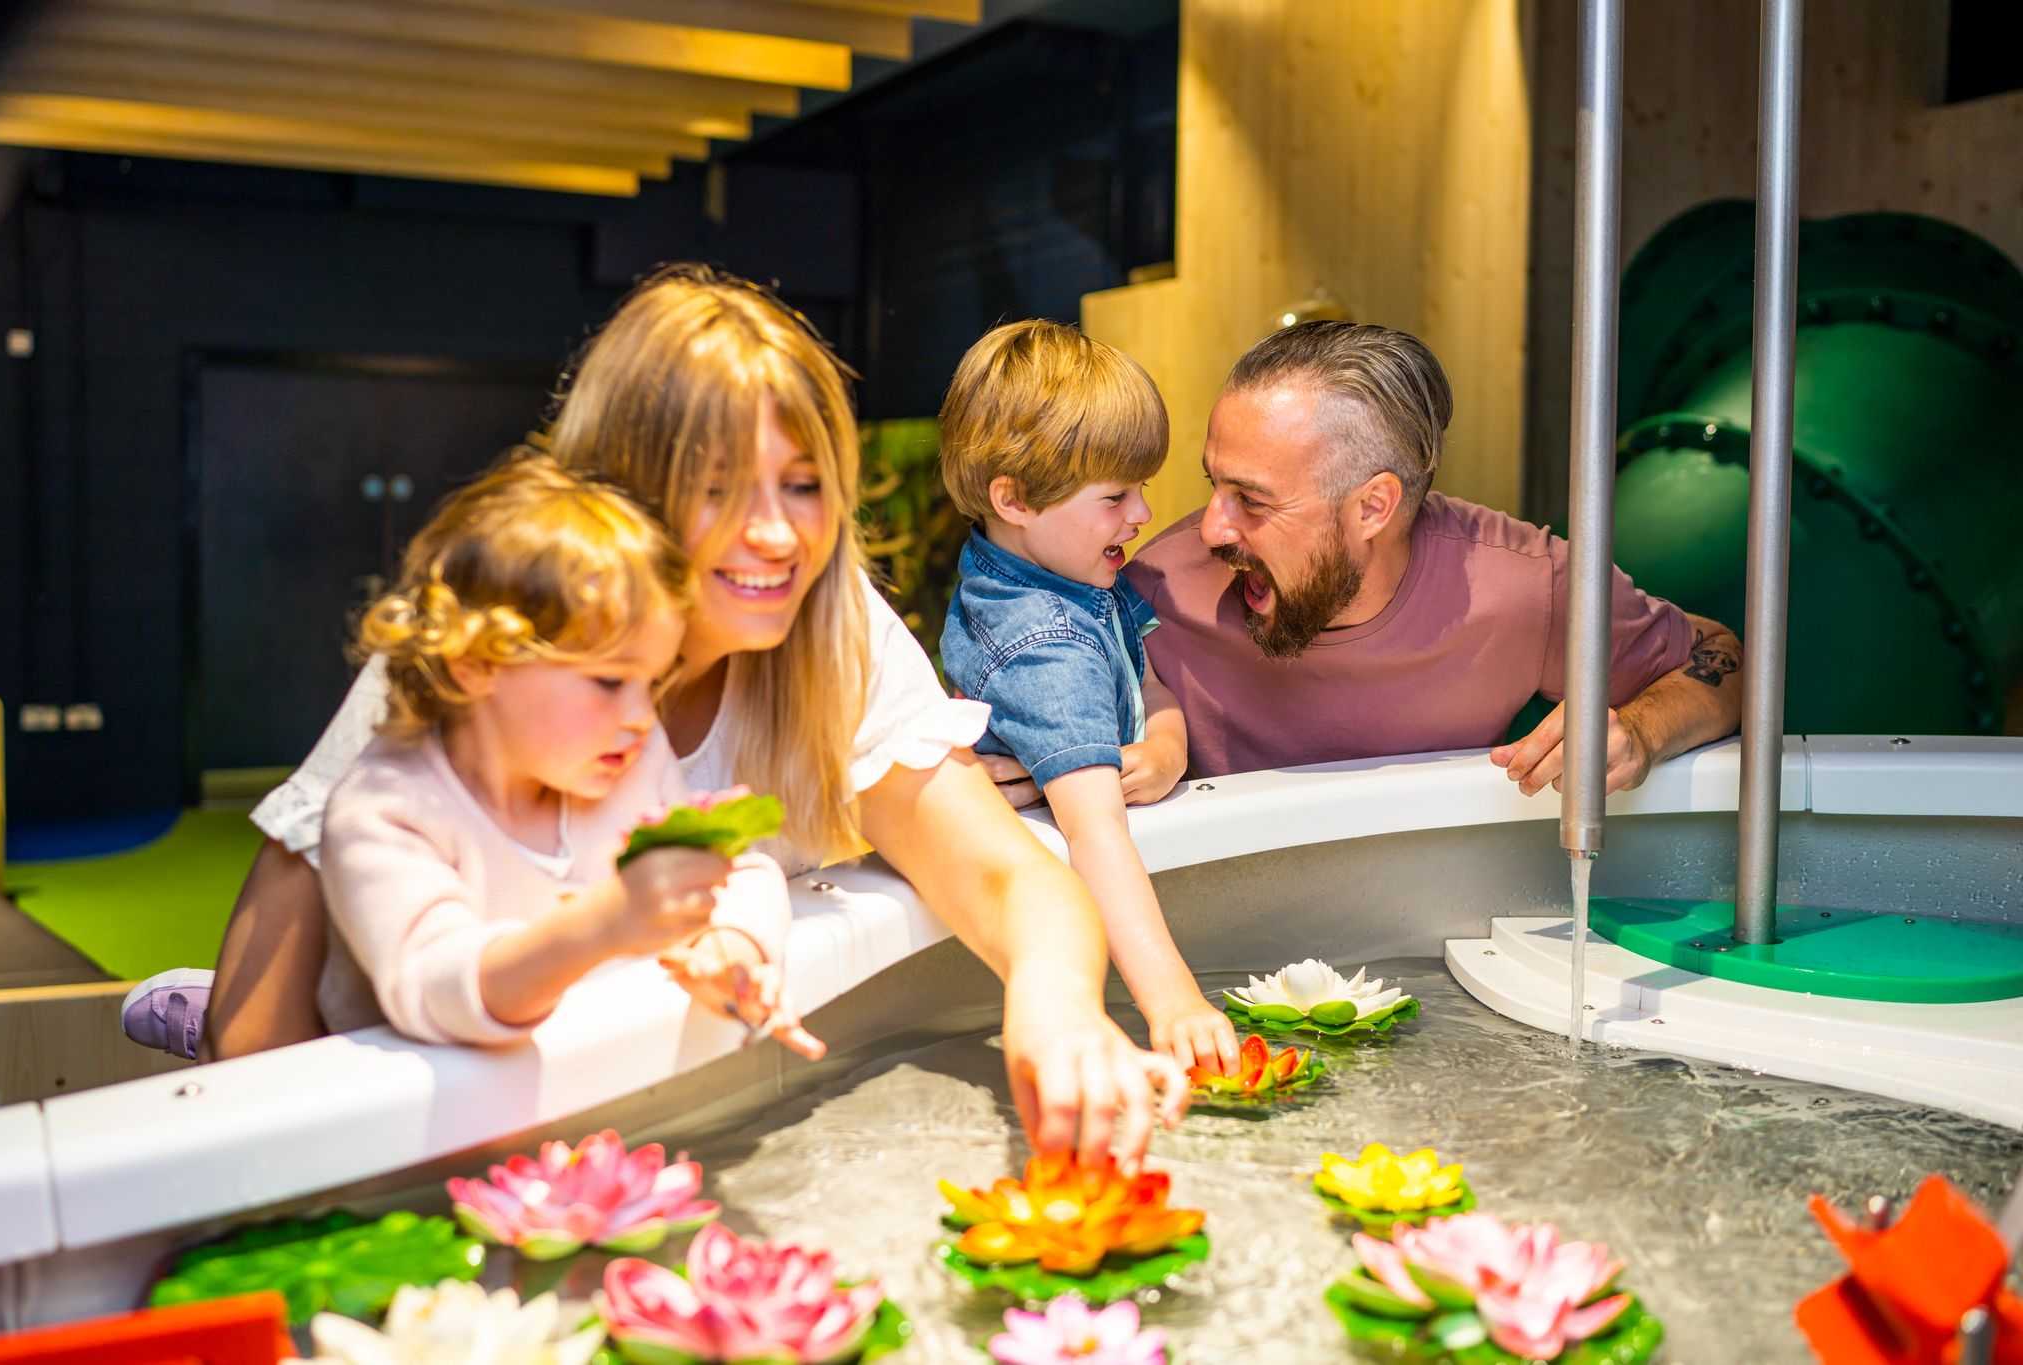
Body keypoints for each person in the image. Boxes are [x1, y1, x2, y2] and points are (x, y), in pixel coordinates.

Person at [135, 265, 1185, 1172]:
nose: (775, 534)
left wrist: (1054, 1011)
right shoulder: (504, 641)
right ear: (621, 491)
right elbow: (263, 1017)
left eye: (806, 483)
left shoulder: (829, 624)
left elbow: (1006, 878)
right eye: (719, 486)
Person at [981, 321, 1742, 803]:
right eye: (1214, 484)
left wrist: (1637, 732)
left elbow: (1724, 657)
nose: (1211, 527)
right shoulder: (1149, 593)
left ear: (1374, 506)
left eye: (1252, 498)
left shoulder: (1522, 585)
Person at [316, 457, 816, 1055]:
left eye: (650, 684)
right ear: (476, 663)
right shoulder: (387, 813)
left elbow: (737, 877)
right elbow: (437, 990)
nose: (640, 715)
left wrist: (727, 950)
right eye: (608, 683)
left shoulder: (628, 760)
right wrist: (603, 925)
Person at [936, 321, 1236, 1076]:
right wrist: (1172, 1001)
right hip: (1050, 915)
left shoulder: (1065, 574)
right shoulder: (1043, 642)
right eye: (1114, 496)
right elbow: (1095, 832)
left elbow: (1152, 677)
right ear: (1015, 499)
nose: (1142, 514)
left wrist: (1167, 746)